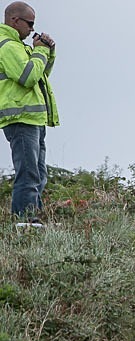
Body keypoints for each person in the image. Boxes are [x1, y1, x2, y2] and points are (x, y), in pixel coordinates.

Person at [0, 1, 58, 223]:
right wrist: (40, 50)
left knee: (38, 174)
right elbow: (27, 77)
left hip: (32, 118)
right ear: (15, 20)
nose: (32, 29)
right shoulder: (8, 46)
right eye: (30, 23)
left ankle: (33, 219)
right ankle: (24, 221)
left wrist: (47, 53)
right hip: (20, 118)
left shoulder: (18, 45)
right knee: (29, 174)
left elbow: (40, 76)